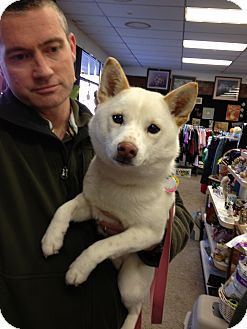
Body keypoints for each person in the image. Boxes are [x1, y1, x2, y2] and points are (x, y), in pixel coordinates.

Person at [0, 1, 194, 328]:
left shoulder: (108, 132)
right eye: (19, 55)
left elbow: (181, 216)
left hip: (111, 312)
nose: (43, 69)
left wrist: (155, 239)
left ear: (72, 49)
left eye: (52, 48)